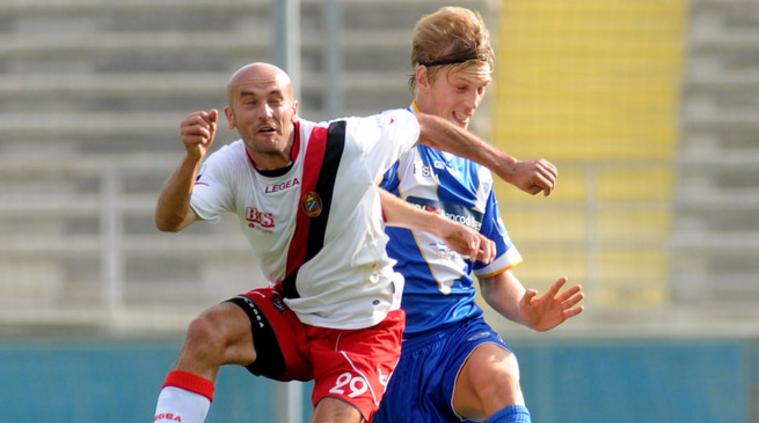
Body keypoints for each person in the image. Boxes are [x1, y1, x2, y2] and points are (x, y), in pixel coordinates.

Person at [152, 62, 555, 423]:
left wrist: (509, 167)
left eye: (276, 100)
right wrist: (192, 159)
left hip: (365, 326)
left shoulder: (346, 144)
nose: (266, 113)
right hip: (299, 311)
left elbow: (422, 127)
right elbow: (171, 220)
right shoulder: (228, 165)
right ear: (231, 118)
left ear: (294, 108)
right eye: (250, 103)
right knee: (208, 330)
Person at [373, 7, 585, 423]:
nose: (471, 103)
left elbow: (493, 276)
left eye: (481, 89)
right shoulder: (384, 141)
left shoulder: (477, 174)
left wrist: (528, 309)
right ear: (422, 77)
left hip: (455, 336)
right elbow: (355, 203)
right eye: (461, 87)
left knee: (500, 374)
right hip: (381, 345)